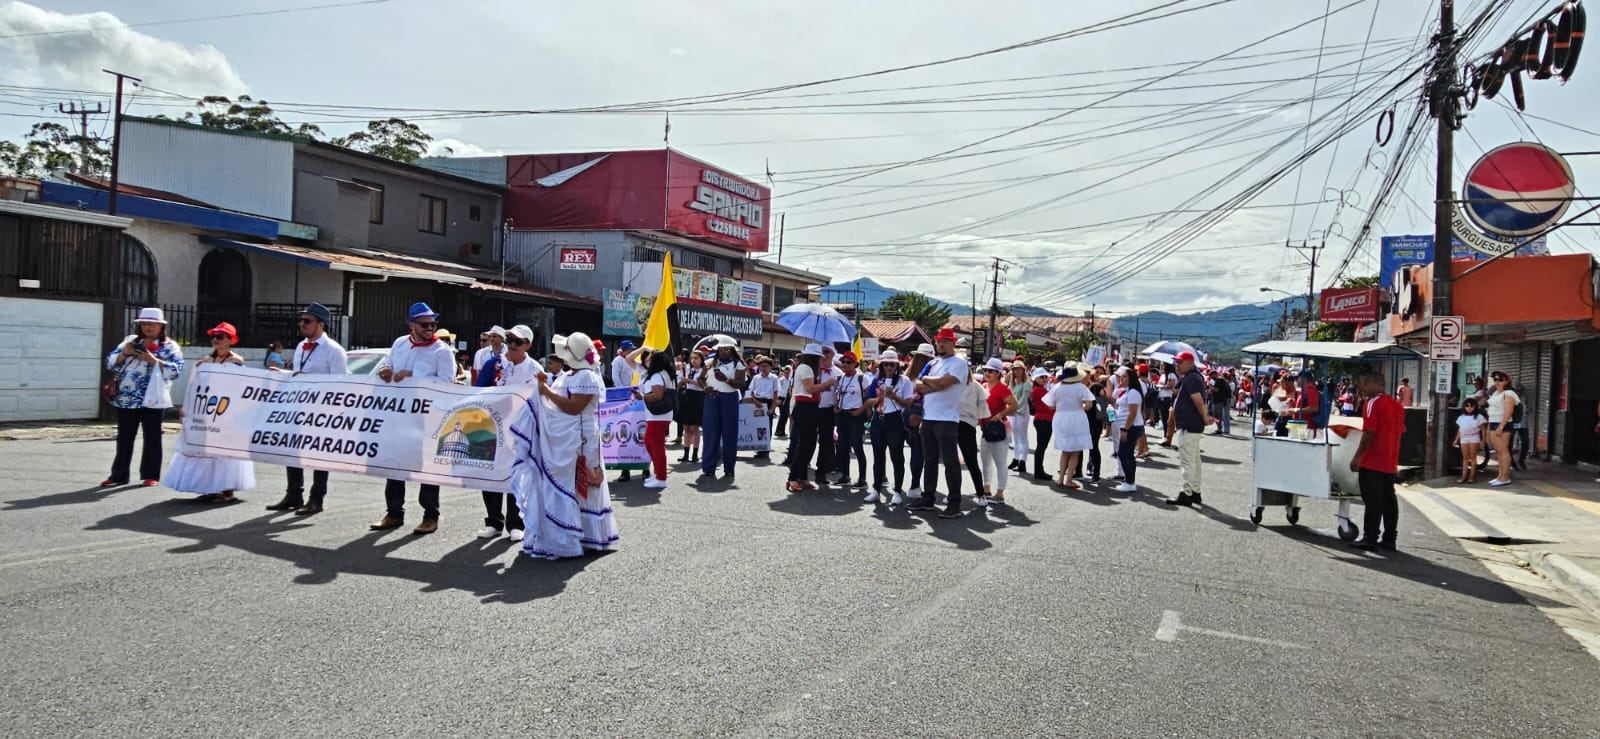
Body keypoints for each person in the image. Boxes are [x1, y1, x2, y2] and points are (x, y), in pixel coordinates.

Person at [524, 331, 620, 557]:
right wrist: (543, 388)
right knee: (569, 483)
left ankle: (580, 535)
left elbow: (574, 407)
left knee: (581, 482)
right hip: (566, 436)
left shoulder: (586, 376)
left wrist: (546, 391)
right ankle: (571, 534)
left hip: (581, 437)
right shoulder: (568, 375)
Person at [371, 302, 457, 535]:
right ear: (411, 325)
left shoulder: (441, 351)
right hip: (400, 415)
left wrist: (414, 375)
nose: (430, 328)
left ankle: (430, 515)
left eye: (433, 324)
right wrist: (385, 369)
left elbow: (447, 383)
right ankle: (393, 513)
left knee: (427, 466)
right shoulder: (400, 343)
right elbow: (387, 363)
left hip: (427, 417)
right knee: (395, 463)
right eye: (424, 325)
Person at [264, 303, 348, 516]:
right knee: (292, 450)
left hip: (322, 410)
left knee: (319, 454)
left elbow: (341, 383)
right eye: (301, 320)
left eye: (307, 321)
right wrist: (284, 375)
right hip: (298, 407)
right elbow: (298, 375)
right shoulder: (302, 346)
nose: (302, 324)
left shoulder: (334, 350)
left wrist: (312, 383)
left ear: (321, 324)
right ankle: (294, 494)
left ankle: (316, 498)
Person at [164, 322, 255, 504]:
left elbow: (238, 389)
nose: (216, 340)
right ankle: (211, 487)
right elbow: (194, 386)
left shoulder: (236, 363)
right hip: (205, 411)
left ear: (231, 340)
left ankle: (227, 490)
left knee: (223, 451)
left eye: (220, 337)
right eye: (214, 336)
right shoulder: (204, 362)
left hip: (225, 412)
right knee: (205, 450)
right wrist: (187, 407)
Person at [102, 307, 185, 488]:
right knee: (124, 438)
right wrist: (125, 353)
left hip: (153, 398)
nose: (148, 327)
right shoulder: (130, 341)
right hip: (127, 398)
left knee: (152, 437)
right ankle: (118, 475)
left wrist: (153, 360)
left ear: (161, 326)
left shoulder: (169, 346)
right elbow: (109, 362)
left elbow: (176, 371)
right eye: (145, 324)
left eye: (152, 324)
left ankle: (150, 475)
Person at [472, 324, 541, 539]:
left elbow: (541, 402)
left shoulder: (535, 370)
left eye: (517, 342)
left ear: (527, 345)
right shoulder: (493, 364)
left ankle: (516, 523)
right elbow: (479, 392)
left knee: (517, 474)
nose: (511, 345)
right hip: (492, 428)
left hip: (520, 430)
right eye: (509, 340)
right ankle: (493, 521)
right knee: (490, 472)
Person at [911, 328, 970, 519]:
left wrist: (928, 381)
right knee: (929, 460)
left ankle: (954, 503)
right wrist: (933, 384)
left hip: (947, 419)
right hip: (929, 417)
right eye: (939, 341)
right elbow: (917, 386)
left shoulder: (959, 362)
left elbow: (945, 383)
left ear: (953, 343)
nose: (941, 344)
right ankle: (928, 497)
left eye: (945, 341)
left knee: (950, 462)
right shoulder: (933, 362)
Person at [1349, 371, 1404, 551]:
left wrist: (1357, 457)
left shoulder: (1372, 403)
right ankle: (1389, 538)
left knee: (1372, 501)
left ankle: (1370, 537)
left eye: (1364, 383)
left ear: (1374, 384)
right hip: (1390, 460)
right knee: (1388, 501)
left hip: (1373, 460)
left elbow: (1369, 433)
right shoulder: (1396, 405)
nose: (1362, 388)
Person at [867, 349, 915, 505]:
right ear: (881, 365)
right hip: (878, 419)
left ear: (897, 366)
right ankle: (876, 489)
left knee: (897, 456)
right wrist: (879, 398)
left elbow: (908, 403)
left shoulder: (904, 381)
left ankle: (897, 491)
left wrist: (894, 397)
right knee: (878, 456)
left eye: (892, 364)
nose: (889, 367)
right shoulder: (876, 380)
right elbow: (868, 401)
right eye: (886, 364)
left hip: (895, 419)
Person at [786, 344, 834, 492]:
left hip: (811, 407)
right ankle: (793, 477)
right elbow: (809, 389)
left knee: (810, 444)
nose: (822, 360)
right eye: (820, 357)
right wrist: (827, 383)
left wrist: (822, 387)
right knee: (805, 444)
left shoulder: (810, 369)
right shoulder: (805, 368)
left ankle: (802, 476)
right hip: (804, 407)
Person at [1168, 351, 1211, 508]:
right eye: (1177, 362)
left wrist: (1205, 418)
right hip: (1192, 424)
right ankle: (1195, 491)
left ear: (1190, 363)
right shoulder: (1192, 377)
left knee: (1188, 461)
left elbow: (1198, 401)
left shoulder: (1192, 378)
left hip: (1189, 424)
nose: (1177, 365)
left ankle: (1187, 492)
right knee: (1194, 460)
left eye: (1180, 362)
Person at [700, 339, 746, 482]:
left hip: (729, 398)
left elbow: (740, 384)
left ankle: (729, 468)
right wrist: (705, 388)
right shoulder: (710, 363)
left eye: (726, 349)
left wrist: (726, 380)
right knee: (710, 433)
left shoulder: (738, 364)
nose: (723, 352)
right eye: (721, 349)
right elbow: (700, 379)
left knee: (729, 434)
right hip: (712, 397)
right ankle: (708, 467)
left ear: (732, 350)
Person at [1044, 363, 1094, 489]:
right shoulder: (1081, 387)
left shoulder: (1057, 387)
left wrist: (1062, 406)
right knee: (1075, 451)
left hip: (1060, 417)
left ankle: (1060, 478)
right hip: (1077, 417)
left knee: (1065, 450)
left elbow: (1050, 405)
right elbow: (1089, 405)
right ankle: (1069, 479)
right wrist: (1080, 407)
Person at [978, 358, 1019, 505]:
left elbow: (1014, 405)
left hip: (999, 428)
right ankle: (986, 488)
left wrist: (1000, 415)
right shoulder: (984, 386)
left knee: (1000, 461)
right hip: (986, 428)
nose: (987, 373)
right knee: (985, 460)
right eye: (986, 370)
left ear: (998, 373)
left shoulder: (1002, 388)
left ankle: (1000, 493)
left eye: (991, 371)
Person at [634, 349, 677, 490]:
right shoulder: (664, 373)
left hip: (658, 415)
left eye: (650, 359)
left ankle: (661, 478)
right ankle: (658, 473)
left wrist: (642, 397)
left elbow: (658, 395)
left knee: (656, 445)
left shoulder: (657, 375)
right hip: (658, 415)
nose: (647, 361)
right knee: (650, 442)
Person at [832, 351, 870, 489]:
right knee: (843, 447)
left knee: (857, 446)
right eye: (843, 362)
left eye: (849, 362)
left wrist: (860, 410)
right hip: (842, 415)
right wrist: (836, 407)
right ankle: (845, 476)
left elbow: (870, 397)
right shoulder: (840, 378)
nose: (845, 364)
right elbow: (837, 395)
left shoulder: (862, 378)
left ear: (855, 364)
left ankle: (862, 479)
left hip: (856, 415)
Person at [1113, 367, 1145, 493]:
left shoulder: (1133, 393)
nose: (1121, 379)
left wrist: (1125, 429)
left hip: (1131, 427)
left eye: (1125, 376)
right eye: (1121, 376)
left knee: (1123, 453)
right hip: (1128, 426)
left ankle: (1130, 482)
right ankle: (1129, 481)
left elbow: (1132, 413)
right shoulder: (1127, 391)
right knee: (1128, 454)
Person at [1487, 371, 1520, 487]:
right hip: (1493, 421)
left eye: (1500, 380)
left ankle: (1505, 477)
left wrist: (1501, 426)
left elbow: (1508, 412)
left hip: (1503, 423)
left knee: (1503, 450)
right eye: (1495, 379)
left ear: (1507, 381)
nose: (1497, 382)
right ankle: (1500, 476)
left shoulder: (1509, 393)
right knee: (1498, 451)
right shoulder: (1496, 392)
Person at [814, 346, 841, 486]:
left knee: (826, 442)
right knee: (808, 441)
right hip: (812, 408)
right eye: (822, 352)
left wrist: (837, 405)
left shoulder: (838, 372)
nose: (823, 355)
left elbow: (840, 392)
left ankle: (821, 472)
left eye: (826, 352)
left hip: (828, 410)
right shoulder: (813, 369)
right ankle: (800, 472)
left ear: (833, 354)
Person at [677, 350, 706, 463]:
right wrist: (682, 381)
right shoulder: (687, 368)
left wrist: (689, 380)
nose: (694, 360)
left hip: (697, 397)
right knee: (686, 427)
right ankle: (686, 453)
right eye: (692, 358)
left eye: (696, 358)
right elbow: (680, 381)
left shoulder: (703, 370)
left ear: (701, 360)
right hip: (687, 396)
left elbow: (702, 385)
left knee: (694, 428)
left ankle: (695, 454)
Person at [747, 356, 779, 459]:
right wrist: (755, 401)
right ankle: (759, 447)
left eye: (765, 366)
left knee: (767, 426)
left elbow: (776, 394)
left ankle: (765, 449)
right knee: (758, 426)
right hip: (757, 403)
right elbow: (751, 392)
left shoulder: (774, 378)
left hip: (768, 403)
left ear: (770, 367)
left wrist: (772, 408)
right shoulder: (756, 378)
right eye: (761, 366)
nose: (763, 368)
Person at [1029, 367, 1054, 481]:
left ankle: (1039, 470)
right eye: (1041, 377)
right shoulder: (1039, 390)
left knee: (1041, 447)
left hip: (1043, 418)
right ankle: (1039, 471)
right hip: (1044, 419)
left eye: (1045, 377)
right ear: (1036, 379)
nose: (1044, 379)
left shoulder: (1039, 389)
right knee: (1041, 447)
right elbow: (1049, 406)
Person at [1007, 361, 1032, 472]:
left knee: (1022, 437)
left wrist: (1014, 407)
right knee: (1016, 437)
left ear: (1023, 371)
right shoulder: (1012, 383)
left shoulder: (1026, 383)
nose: (1017, 371)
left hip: (1022, 411)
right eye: (1015, 369)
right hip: (1013, 411)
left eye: (1019, 369)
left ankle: (1023, 460)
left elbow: (1023, 399)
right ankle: (1016, 458)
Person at [1455, 397, 1485, 484]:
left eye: (1471, 406)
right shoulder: (1461, 417)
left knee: (1473, 458)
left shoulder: (1479, 417)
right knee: (1465, 458)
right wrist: (1456, 439)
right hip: (1464, 438)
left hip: (1474, 438)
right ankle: (1464, 476)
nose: (1469, 408)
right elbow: (1460, 430)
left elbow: (1483, 430)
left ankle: (1472, 476)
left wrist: (1483, 440)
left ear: (1475, 407)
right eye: (1467, 406)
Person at [774, 365, 792, 439]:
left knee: (785, 415)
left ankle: (782, 431)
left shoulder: (790, 380)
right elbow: (778, 389)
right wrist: (777, 399)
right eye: (785, 373)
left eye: (788, 373)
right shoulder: (781, 380)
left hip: (787, 398)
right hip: (781, 398)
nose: (786, 374)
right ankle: (778, 431)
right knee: (783, 415)